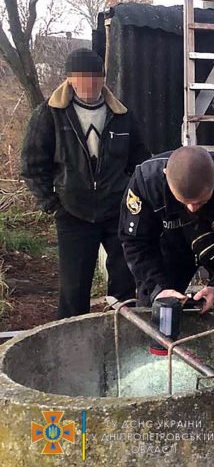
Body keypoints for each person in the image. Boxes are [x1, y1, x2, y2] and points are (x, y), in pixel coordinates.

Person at [20, 48, 149, 319]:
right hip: (72, 213)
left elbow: (140, 161)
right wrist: (52, 204)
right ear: (69, 80)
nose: (89, 84)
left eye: (95, 77)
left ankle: (124, 336)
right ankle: (71, 345)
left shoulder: (122, 115)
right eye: (81, 78)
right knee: (74, 290)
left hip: (117, 212)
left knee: (126, 284)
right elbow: (33, 166)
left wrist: (131, 198)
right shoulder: (49, 115)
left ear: (103, 79)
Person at [119, 146, 214, 314]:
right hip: (170, 244)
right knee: (159, 309)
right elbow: (134, 242)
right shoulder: (146, 182)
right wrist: (158, 288)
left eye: (200, 202)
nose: (192, 208)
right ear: (166, 179)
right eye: (184, 202)